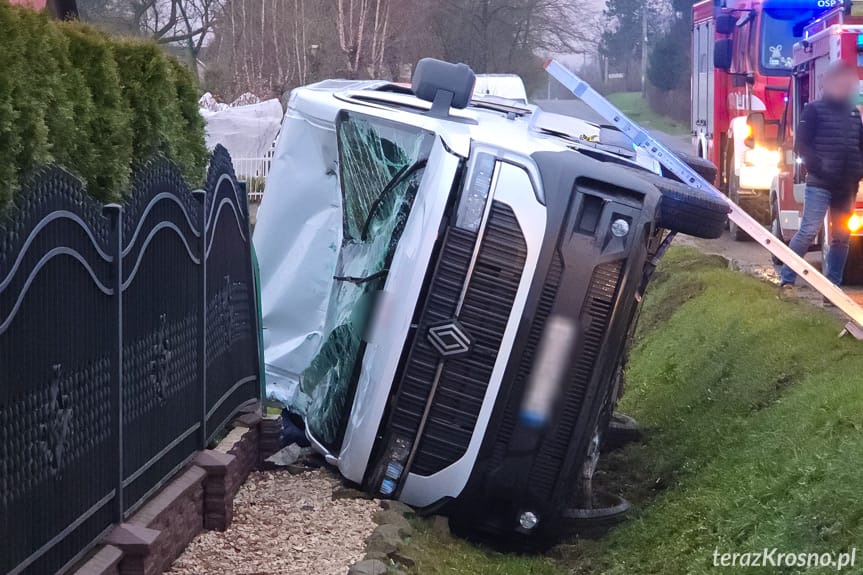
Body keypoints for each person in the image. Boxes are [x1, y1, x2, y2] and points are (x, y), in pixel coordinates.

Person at [780, 60, 863, 300]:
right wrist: (820, 166)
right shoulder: (813, 110)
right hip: (820, 183)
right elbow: (801, 145)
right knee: (808, 231)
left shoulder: (852, 114)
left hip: (846, 186)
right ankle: (787, 280)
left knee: (841, 238)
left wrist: (858, 171)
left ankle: (832, 291)